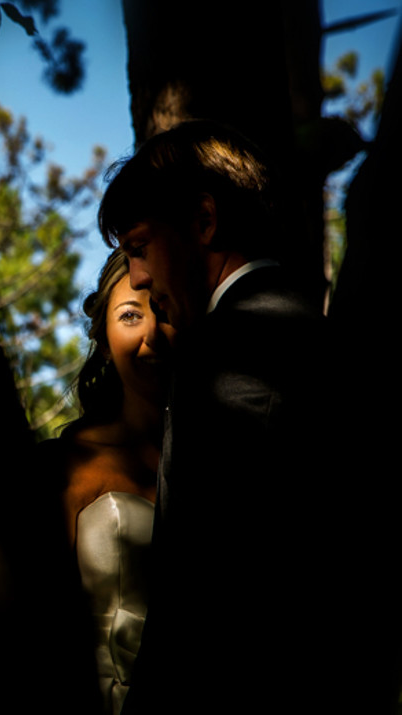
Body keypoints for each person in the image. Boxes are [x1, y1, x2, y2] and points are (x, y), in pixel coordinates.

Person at [97, 120, 339, 714]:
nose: (139, 281)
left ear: (204, 222)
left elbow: (209, 602)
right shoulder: (322, 334)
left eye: (139, 248)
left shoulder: (230, 356)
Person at [40, 249, 175, 715]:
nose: (152, 336)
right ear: (102, 338)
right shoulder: (70, 465)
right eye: (130, 315)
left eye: (165, 312)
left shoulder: (228, 461)